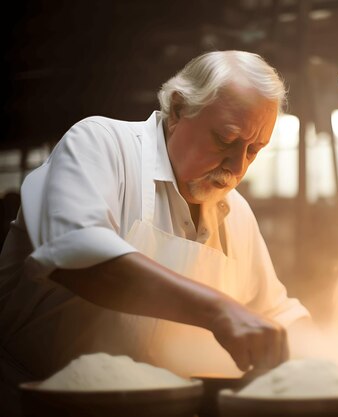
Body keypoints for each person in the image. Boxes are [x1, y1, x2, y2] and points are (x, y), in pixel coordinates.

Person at [0, 50, 311, 412]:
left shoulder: (236, 212)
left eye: (255, 149)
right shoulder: (101, 145)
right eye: (225, 139)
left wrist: (332, 359)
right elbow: (79, 258)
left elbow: (273, 314)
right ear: (178, 109)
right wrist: (218, 310)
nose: (237, 165)